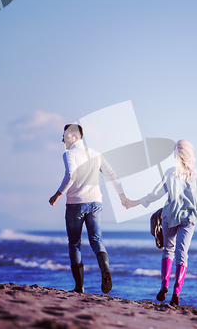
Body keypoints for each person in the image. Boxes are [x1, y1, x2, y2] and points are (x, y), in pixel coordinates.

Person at [49, 124, 130, 294]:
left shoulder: (69, 154)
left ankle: (79, 287)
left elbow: (70, 175)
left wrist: (57, 194)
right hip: (96, 203)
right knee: (96, 240)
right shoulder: (96, 154)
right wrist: (122, 196)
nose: (62, 139)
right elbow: (113, 175)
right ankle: (105, 269)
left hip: (75, 204)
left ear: (75, 137)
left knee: (74, 244)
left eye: (65, 136)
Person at [125, 140, 197, 306]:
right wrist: (194, 217)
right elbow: (196, 202)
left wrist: (137, 202)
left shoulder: (169, 173)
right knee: (182, 254)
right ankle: (177, 293)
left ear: (176, 154)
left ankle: (164, 285)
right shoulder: (194, 175)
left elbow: (156, 194)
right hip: (187, 218)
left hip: (170, 215)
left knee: (168, 250)